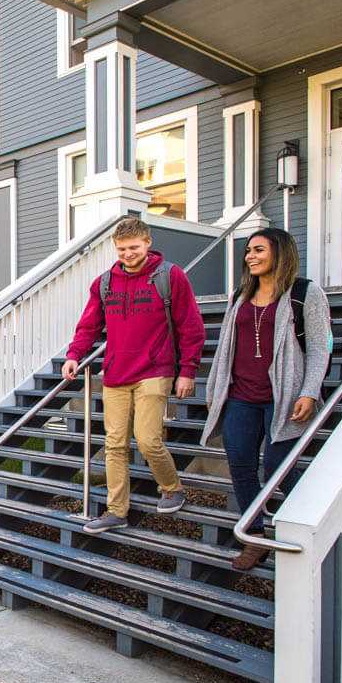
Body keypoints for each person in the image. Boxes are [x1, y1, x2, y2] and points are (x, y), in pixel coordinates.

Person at [61, 214, 205, 533]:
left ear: (148, 243)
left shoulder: (170, 276)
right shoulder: (105, 283)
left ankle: (172, 488)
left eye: (134, 247)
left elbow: (191, 327)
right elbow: (88, 326)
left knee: (148, 439)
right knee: (114, 444)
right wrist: (74, 355)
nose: (128, 254)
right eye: (122, 249)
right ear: (115, 247)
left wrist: (188, 371)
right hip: (115, 374)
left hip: (155, 369)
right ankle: (116, 510)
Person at [201, 228, 331, 571]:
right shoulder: (240, 295)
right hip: (240, 396)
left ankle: (307, 529)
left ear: (280, 252)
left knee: (278, 468)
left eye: (258, 250)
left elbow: (320, 347)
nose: (250, 256)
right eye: (248, 251)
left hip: (284, 396)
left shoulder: (306, 293)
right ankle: (254, 537)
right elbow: (227, 348)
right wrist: (217, 390)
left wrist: (308, 390)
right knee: (242, 466)